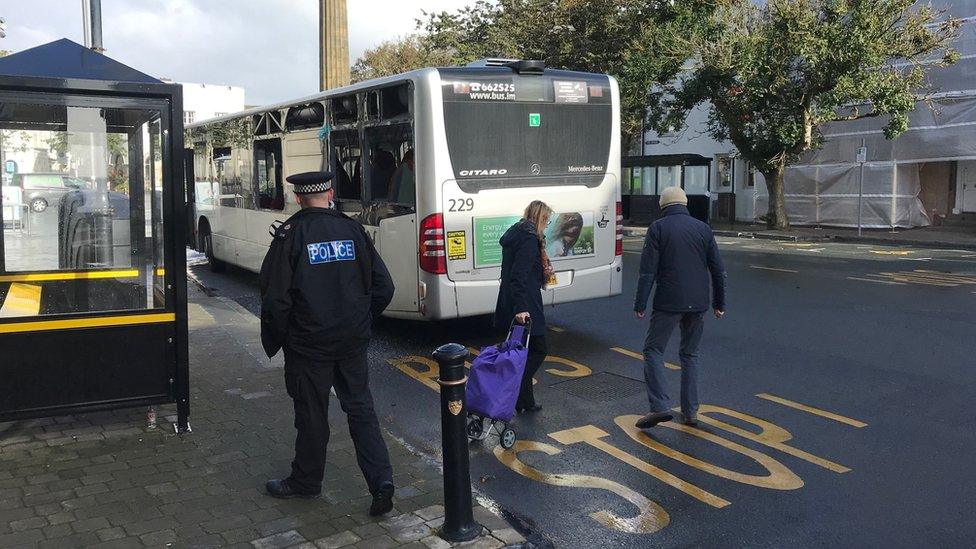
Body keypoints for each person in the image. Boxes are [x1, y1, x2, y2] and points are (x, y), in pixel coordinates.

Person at [259, 171, 397, 516]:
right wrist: (362, 322)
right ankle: (381, 482)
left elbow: (276, 300)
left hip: (309, 346)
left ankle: (306, 482)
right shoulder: (353, 230)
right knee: (361, 410)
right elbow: (384, 287)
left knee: (311, 414)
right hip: (351, 342)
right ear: (331, 194)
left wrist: (280, 341)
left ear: (297, 198)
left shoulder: (290, 235)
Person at [633, 186, 726, 429]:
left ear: (663, 205)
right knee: (690, 354)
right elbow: (717, 269)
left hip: (669, 301)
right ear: (684, 204)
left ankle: (660, 406)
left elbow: (648, 271)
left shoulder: (658, 228)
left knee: (653, 350)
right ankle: (690, 412)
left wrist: (640, 303)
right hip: (699, 302)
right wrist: (719, 303)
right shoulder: (703, 228)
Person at [494, 200, 554, 413]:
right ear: (541, 218)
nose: (546, 225)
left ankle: (525, 402)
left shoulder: (517, 232)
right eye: (546, 220)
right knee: (539, 349)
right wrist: (521, 307)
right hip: (524, 303)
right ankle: (515, 388)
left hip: (513, 300)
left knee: (522, 351)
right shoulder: (529, 239)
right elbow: (519, 275)